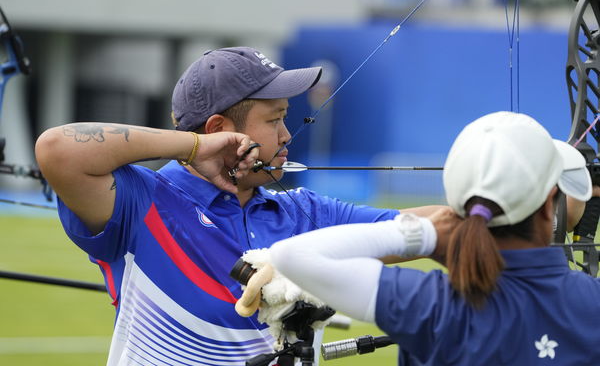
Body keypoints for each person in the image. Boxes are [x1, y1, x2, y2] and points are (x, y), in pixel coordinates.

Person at [35, 46, 446, 366]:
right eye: (274, 120)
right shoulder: (142, 203)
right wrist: (193, 146)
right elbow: (58, 149)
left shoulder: (305, 213)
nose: (286, 135)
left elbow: (425, 226)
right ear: (219, 131)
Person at [269, 111, 600, 365]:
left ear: (459, 206)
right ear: (549, 206)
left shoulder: (431, 304)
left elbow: (291, 256)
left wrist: (427, 234)